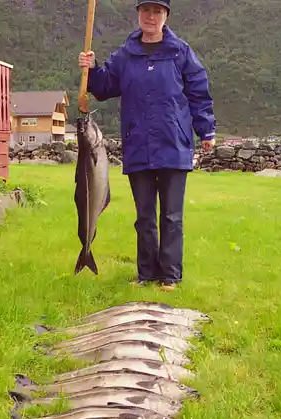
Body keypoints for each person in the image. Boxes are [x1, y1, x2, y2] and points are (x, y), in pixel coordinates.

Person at [78, 0, 216, 291]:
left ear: (165, 16)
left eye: (157, 11)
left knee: (171, 216)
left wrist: (206, 130)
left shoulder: (181, 53)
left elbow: (198, 93)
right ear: (138, 14)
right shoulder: (125, 55)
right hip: (138, 146)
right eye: (146, 11)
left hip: (174, 144)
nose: (151, 16)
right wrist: (92, 69)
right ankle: (146, 274)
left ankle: (170, 276)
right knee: (144, 217)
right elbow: (104, 88)